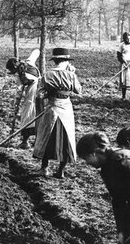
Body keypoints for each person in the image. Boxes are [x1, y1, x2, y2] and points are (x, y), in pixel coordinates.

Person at [33, 48, 81, 179]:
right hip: (66, 109)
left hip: (52, 108)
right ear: (65, 61)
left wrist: (48, 93)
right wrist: (72, 74)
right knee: (67, 139)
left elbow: (39, 94)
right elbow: (78, 90)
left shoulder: (47, 75)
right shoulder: (71, 75)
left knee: (47, 137)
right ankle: (61, 171)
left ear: (55, 61)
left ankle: (44, 169)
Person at [6, 49, 41, 149]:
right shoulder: (29, 62)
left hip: (31, 97)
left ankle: (25, 142)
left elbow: (19, 90)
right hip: (41, 93)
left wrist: (16, 103)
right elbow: (36, 52)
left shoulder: (18, 75)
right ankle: (38, 141)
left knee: (27, 117)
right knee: (39, 116)